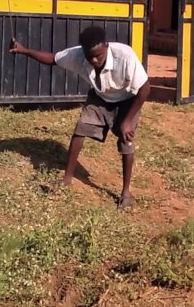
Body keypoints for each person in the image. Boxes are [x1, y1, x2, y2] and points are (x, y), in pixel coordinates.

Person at [9, 25, 150, 210]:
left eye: (98, 55)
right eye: (90, 56)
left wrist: (127, 121)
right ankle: (67, 178)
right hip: (100, 97)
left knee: (126, 140)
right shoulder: (78, 55)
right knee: (80, 128)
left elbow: (145, 88)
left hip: (127, 99)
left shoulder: (125, 55)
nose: (94, 60)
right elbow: (53, 59)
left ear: (106, 46)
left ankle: (125, 194)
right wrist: (24, 50)